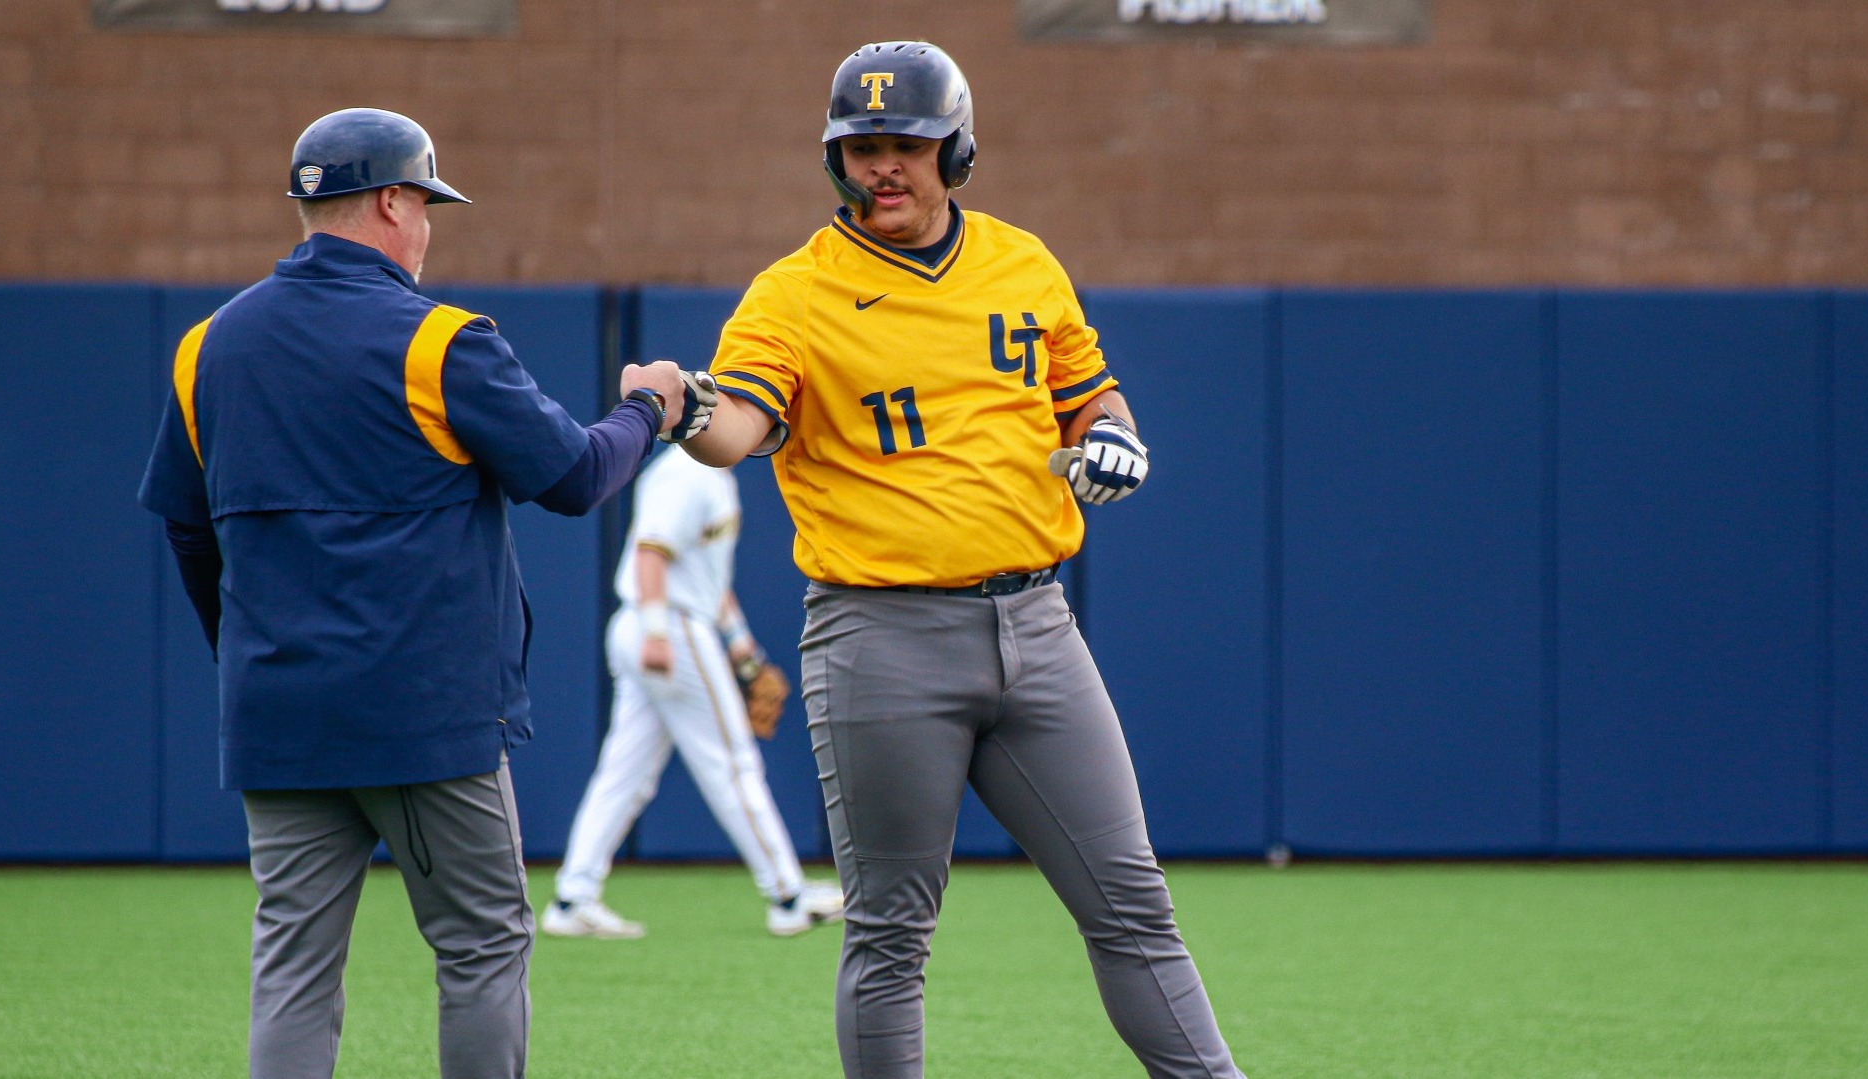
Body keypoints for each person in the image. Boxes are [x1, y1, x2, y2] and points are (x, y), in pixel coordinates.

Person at [680, 41, 1245, 1079]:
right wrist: (687, 408)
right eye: (862, 148)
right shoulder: (792, 292)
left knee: (1132, 902)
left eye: (907, 145)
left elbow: (1087, 391)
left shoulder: (1022, 261)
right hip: (880, 636)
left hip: (1037, 624)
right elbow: (738, 428)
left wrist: (1117, 434)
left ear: (957, 150)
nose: (883, 167)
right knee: (890, 932)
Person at [136, 107, 715, 1079]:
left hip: (279, 707)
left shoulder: (206, 346)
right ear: (394, 202)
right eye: (425, 205)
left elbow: (189, 531)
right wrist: (648, 407)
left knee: (292, 968)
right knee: (482, 945)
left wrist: (245, 654)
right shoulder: (437, 341)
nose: (427, 227)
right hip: (424, 715)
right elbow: (575, 478)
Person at [543, 445, 846, 939]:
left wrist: (743, 650)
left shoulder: (711, 474)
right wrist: (658, 633)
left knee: (625, 773)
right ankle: (788, 896)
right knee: (732, 763)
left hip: (664, 623)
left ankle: (572, 898)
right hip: (670, 627)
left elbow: (705, 575)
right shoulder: (685, 472)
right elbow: (650, 553)